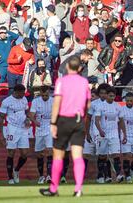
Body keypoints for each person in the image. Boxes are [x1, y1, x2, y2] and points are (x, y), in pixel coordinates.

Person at [39, 56, 91, 197]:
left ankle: (54, 188)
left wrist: (53, 123)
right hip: (78, 120)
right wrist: (83, 117)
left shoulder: (61, 81)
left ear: (67, 67)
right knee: (77, 156)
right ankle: (78, 188)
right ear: (80, 68)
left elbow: (57, 103)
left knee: (58, 155)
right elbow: (88, 104)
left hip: (63, 120)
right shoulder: (84, 82)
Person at [0, 84, 31, 184]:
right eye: (22, 93)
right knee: (11, 153)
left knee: (25, 154)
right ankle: (10, 178)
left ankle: (16, 170)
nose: (23, 94)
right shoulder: (6, 101)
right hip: (12, 128)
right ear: (16, 92)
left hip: (23, 128)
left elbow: (26, 111)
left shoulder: (24, 99)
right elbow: (1, 118)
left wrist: (28, 119)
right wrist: (1, 134)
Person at [95, 86, 127, 183]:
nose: (112, 98)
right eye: (110, 96)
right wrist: (100, 130)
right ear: (106, 95)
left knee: (116, 154)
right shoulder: (100, 106)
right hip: (103, 133)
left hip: (114, 134)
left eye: (113, 96)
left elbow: (121, 121)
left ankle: (118, 175)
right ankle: (100, 176)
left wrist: (124, 134)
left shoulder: (117, 106)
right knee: (102, 156)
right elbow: (97, 120)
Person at [85, 84, 110, 182]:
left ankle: (106, 176)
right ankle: (100, 176)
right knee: (97, 154)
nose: (103, 95)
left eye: (105, 93)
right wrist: (87, 133)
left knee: (105, 155)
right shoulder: (94, 104)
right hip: (95, 132)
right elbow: (88, 119)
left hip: (108, 133)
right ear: (99, 94)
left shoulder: (112, 104)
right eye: (101, 93)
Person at [29, 86, 53, 184]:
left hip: (50, 127)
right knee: (39, 153)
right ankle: (41, 176)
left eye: (46, 95)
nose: (44, 97)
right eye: (43, 95)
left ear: (49, 93)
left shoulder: (54, 101)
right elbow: (30, 115)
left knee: (50, 151)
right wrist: (34, 121)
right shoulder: (36, 101)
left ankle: (49, 176)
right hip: (39, 128)